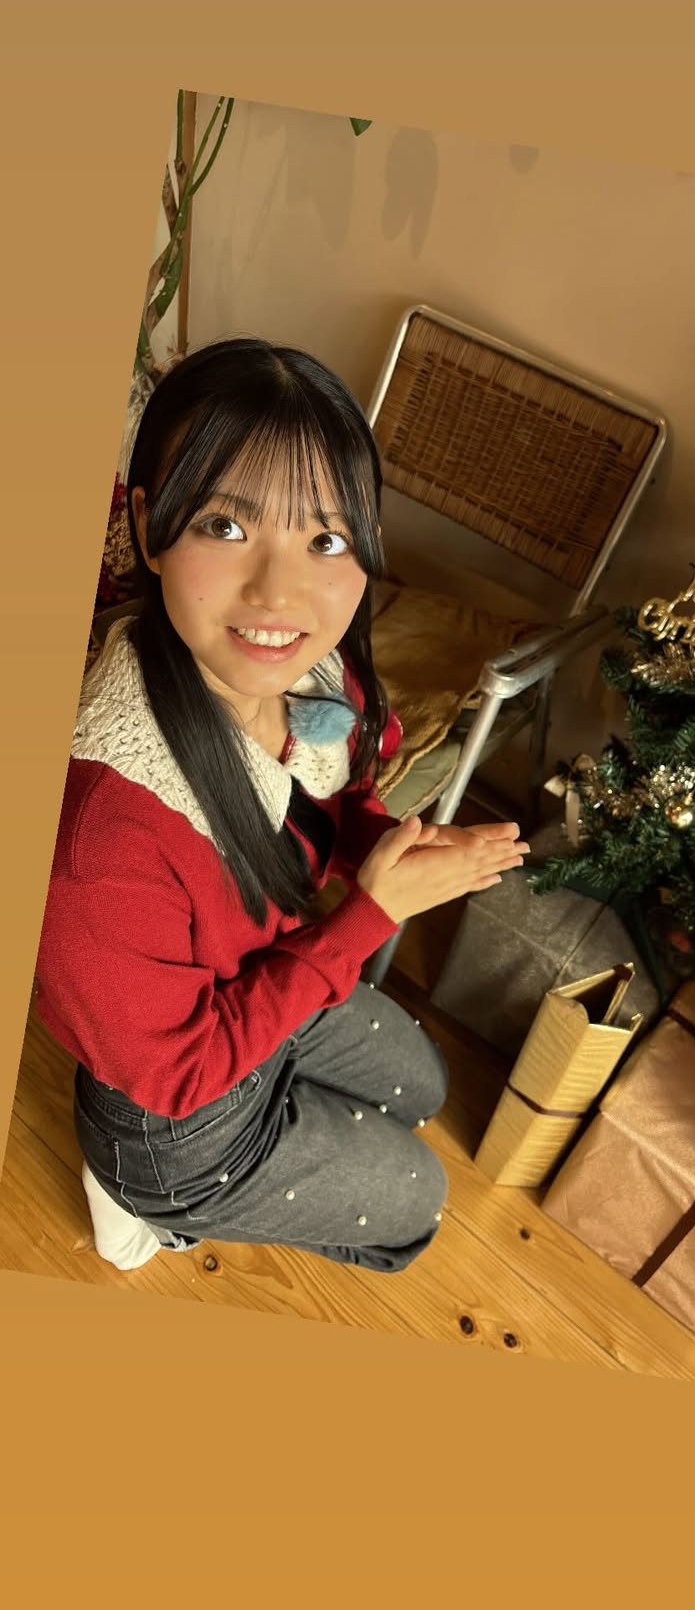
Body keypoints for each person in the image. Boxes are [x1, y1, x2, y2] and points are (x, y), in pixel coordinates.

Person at [34, 337, 528, 1274]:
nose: (279, 593)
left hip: (260, 978)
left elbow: (327, 807)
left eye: (325, 540)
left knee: (424, 1085)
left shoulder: (316, 677)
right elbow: (178, 1071)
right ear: (147, 525)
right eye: (225, 525)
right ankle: (144, 1198)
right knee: (420, 1201)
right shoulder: (100, 840)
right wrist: (370, 916)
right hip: (174, 1109)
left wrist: (392, 850)